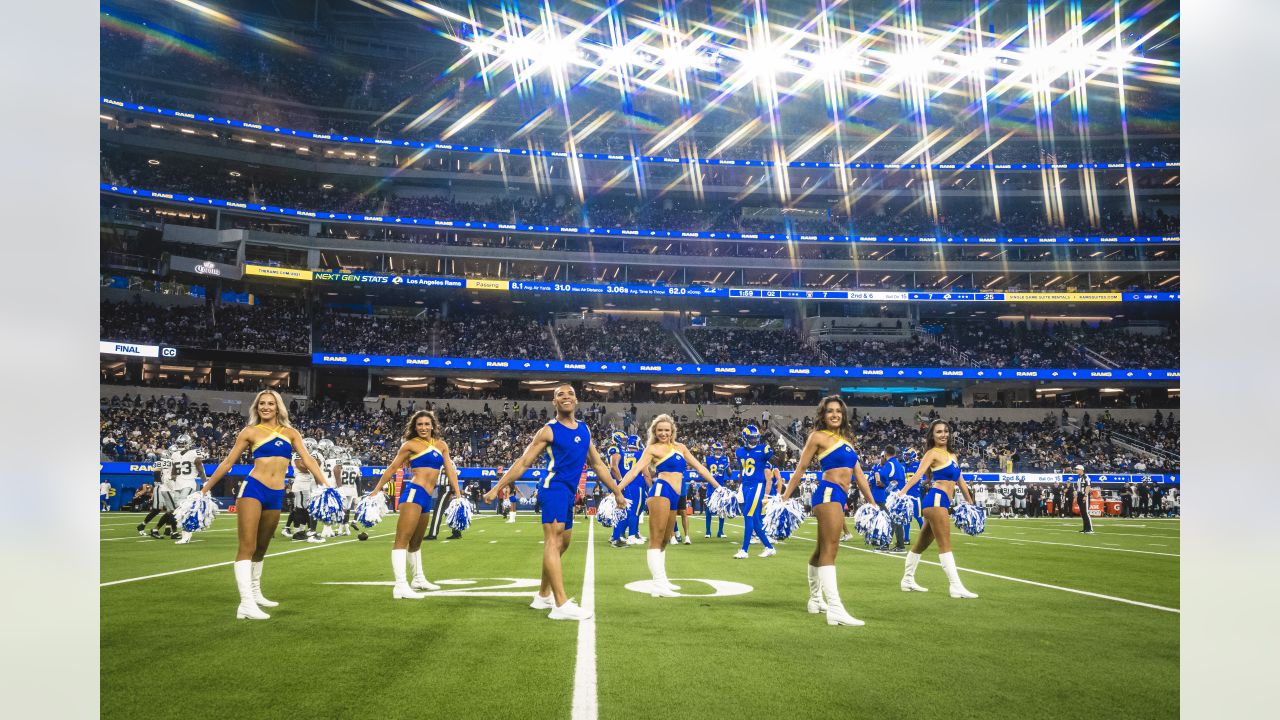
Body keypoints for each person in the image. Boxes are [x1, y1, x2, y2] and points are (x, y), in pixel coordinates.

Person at [482, 384, 626, 620]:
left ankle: (543, 595)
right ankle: (560, 604)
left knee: (563, 544)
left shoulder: (585, 429)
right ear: (554, 402)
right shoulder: (548, 431)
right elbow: (524, 462)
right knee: (553, 540)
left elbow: (599, 465)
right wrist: (498, 486)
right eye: (560, 395)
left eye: (570, 394)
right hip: (553, 488)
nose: (566, 397)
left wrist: (617, 491)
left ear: (576, 400)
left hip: (569, 492)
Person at [200, 389, 329, 620]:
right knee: (246, 547)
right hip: (253, 490)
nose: (266, 407)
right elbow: (229, 462)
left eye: (271, 403)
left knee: (262, 547)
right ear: (256, 407)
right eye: (262, 404)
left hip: (276, 493)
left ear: (278, 407)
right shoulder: (249, 432)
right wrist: (205, 488)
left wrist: (326, 485)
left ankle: (256, 593)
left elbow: (308, 460)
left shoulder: (291, 433)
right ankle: (246, 603)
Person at [780, 396, 875, 627]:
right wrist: (784, 497)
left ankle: (815, 600)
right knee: (831, 550)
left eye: (838, 411)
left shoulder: (847, 440)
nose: (835, 414)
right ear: (822, 415)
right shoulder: (817, 436)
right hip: (828, 493)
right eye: (830, 411)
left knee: (821, 549)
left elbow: (859, 474)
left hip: (839, 495)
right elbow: (800, 468)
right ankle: (835, 609)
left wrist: (872, 502)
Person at [617, 414, 723, 598]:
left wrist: (719, 487)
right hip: (661, 491)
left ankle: (663, 580)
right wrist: (616, 490)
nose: (664, 433)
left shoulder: (681, 448)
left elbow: (700, 468)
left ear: (672, 431)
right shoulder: (652, 449)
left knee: (666, 539)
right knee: (656, 539)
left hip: (676, 494)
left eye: (667, 430)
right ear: (655, 432)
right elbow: (634, 471)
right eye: (660, 430)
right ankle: (657, 585)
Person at [367, 411, 463, 599]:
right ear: (414, 426)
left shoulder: (442, 445)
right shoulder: (409, 445)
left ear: (433, 425)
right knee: (402, 540)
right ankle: (400, 585)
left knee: (417, 541)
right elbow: (392, 468)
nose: (423, 428)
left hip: (427, 496)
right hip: (413, 493)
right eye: (420, 424)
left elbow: (450, 470)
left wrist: (458, 495)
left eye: (427, 424)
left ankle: (418, 578)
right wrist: (377, 489)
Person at [896, 419, 979, 600]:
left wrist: (971, 504)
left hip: (942, 502)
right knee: (945, 545)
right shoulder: (932, 453)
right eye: (939, 432)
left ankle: (907, 580)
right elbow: (918, 475)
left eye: (946, 431)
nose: (943, 435)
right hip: (935, 500)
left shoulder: (953, 456)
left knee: (920, 545)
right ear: (932, 436)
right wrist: (901, 493)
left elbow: (961, 481)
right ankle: (956, 586)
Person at [733, 425, 778, 559]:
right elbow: (743, 470)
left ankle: (744, 550)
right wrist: (740, 486)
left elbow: (777, 461)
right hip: (746, 486)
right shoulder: (739, 451)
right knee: (756, 520)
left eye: (755, 438)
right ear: (745, 438)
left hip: (757, 486)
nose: (753, 441)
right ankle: (769, 547)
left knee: (748, 515)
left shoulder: (764, 448)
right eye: (751, 438)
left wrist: (779, 450)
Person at [167, 434, 208, 544]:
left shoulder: (194, 453)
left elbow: (200, 469)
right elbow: (175, 468)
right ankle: (183, 532)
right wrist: (172, 479)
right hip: (178, 484)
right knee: (177, 510)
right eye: (179, 443)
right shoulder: (175, 454)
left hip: (189, 483)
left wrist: (205, 483)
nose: (180, 445)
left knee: (184, 509)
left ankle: (186, 535)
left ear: (188, 443)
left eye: (183, 443)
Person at [879, 446, 909, 553]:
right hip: (901, 495)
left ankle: (890, 545)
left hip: (893, 496)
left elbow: (882, 475)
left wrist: (886, 486)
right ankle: (895, 545)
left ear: (886, 454)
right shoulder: (900, 465)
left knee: (891, 521)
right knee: (896, 521)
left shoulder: (889, 464)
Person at [703, 441, 728, 539]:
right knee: (709, 509)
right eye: (716, 450)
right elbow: (702, 470)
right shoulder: (708, 459)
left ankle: (720, 531)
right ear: (713, 451)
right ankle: (708, 531)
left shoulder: (725, 459)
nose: (718, 452)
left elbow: (729, 474)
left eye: (720, 450)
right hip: (710, 487)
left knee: (721, 510)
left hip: (720, 488)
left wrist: (727, 467)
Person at [1074, 465, 1095, 534]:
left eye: (1077, 469)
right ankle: (1085, 528)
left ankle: (1090, 529)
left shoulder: (1086, 477)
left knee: (1086, 512)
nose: (1076, 470)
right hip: (1080, 495)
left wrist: (1085, 495)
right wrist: (1076, 497)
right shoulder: (1079, 478)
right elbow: (1077, 488)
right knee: (1082, 513)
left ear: (1081, 470)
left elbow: (1088, 486)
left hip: (1084, 495)